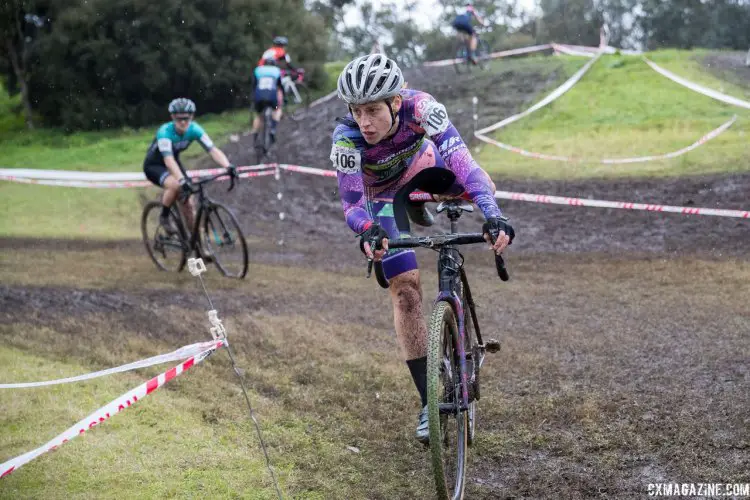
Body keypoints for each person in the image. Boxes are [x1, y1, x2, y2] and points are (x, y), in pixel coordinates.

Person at [330, 54, 515, 443]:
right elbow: (351, 204)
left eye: (373, 111)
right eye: (358, 111)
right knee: (406, 291)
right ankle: (430, 401)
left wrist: (493, 216)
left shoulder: (423, 108)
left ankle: (418, 203)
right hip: (379, 196)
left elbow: (464, 162)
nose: (365, 123)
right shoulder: (346, 138)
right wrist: (366, 231)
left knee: (487, 187)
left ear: (395, 102)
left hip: (422, 168)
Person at [143, 98, 236, 232]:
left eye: (186, 118)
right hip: (155, 165)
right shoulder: (164, 132)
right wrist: (181, 180)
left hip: (174, 161)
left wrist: (228, 166)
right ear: (172, 117)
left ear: (192, 117)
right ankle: (164, 216)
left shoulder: (195, 130)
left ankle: (194, 240)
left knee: (189, 203)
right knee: (176, 186)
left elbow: (213, 150)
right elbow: (168, 160)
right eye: (179, 118)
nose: (182, 122)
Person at [251, 57, 284, 146]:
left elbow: (254, 85)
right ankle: (272, 129)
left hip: (259, 96)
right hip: (272, 96)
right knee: (277, 109)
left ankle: (255, 136)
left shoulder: (258, 70)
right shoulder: (277, 70)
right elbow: (280, 86)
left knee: (258, 116)